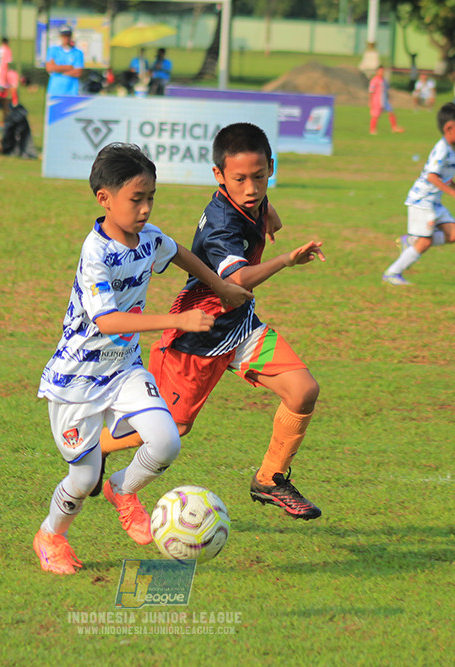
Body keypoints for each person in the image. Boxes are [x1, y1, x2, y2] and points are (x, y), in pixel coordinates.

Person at [33, 143, 253, 574]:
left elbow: (179, 253)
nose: (146, 208)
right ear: (104, 198)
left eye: (151, 197)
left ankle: (123, 489)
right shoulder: (95, 253)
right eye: (137, 199)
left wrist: (221, 287)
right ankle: (51, 535)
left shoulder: (149, 239)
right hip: (78, 379)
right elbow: (109, 320)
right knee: (81, 479)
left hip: (124, 369)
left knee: (167, 439)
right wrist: (181, 319)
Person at [98, 123, 327, 521]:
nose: (251, 187)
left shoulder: (251, 198)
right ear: (219, 176)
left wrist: (269, 218)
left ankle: (270, 479)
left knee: (303, 390)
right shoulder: (222, 223)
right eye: (240, 179)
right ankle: (95, 447)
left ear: (271, 167)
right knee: (175, 429)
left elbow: (264, 210)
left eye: (259, 176)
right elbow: (235, 280)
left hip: (240, 328)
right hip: (197, 335)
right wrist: (286, 259)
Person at [382, 103, 455, 286]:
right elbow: (432, 176)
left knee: (454, 235)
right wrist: (454, 195)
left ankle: (411, 240)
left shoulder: (454, 147)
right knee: (424, 243)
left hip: (434, 202)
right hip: (422, 201)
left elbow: (443, 175)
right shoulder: (442, 148)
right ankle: (392, 273)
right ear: (449, 128)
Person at [45, 24, 84, 97]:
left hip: (71, 91)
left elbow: (78, 72)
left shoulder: (78, 53)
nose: (66, 38)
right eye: (64, 35)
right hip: (54, 90)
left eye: (68, 35)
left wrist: (58, 71)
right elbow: (50, 68)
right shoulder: (53, 50)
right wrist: (69, 67)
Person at [368, 65, 404, 135]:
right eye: (380, 71)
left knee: (391, 111)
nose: (382, 72)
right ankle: (372, 130)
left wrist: (388, 98)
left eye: (383, 71)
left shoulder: (384, 80)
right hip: (377, 100)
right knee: (375, 115)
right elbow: (370, 91)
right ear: (377, 71)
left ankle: (394, 128)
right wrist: (370, 101)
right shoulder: (374, 80)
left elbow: (386, 90)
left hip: (384, 99)